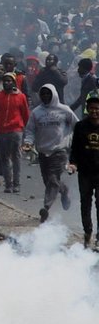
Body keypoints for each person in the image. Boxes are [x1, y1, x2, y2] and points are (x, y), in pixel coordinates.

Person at [23, 84, 77, 223]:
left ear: (54, 94)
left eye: (48, 94)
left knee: (53, 179)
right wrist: (28, 142)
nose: (46, 96)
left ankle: (46, 208)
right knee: (48, 181)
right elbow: (30, 130)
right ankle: (64, 191)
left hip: (59, 151)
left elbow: (77, 126)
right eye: (43, 94)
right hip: (43, 152)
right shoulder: (36, 112)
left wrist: (76, 142)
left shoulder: (64, 110)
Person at [0, 73, 29, 194]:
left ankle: (16, 184)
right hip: (1, 131)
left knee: (16, 157)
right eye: (5, 81)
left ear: (14, 83)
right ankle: (8, 184)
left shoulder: (21, 97)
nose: (6, 83)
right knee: (4, 158)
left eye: (9, 81)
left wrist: (25, 129)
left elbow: (25, 114)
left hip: (16, 130)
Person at [68, 97, 99, 248]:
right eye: (91, 108)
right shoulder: (80, 126)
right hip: (85, 172)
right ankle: (87, 233)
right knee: (85, 204)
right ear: (87, 109)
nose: (94, 111)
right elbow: (75, 148)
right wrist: (73, 163)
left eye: (97, 109)